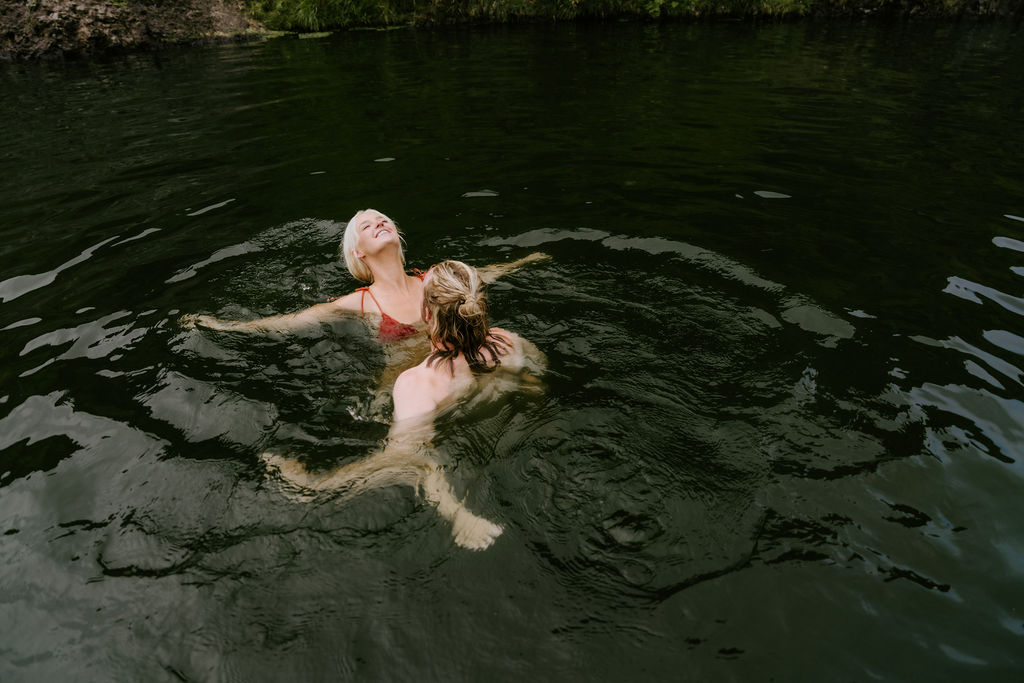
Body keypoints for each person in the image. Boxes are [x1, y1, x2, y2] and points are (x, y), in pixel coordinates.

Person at [262, 260, 545, 550]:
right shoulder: (512, 343)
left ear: (426, 313)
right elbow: (536, 385)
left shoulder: (418, 384)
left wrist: (324, 484)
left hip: (455, 459)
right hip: (518, 446)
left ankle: (316, 489)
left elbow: (409, 461)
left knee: (395, 458)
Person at [180, 208, 548, 342]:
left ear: (397, 236)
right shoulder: (357, 302)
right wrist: (219, 326)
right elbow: (287, 323)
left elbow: (484, 275)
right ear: (358, 253)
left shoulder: (435, 279)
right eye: (366, 225)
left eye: (383, 219)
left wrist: (527, 260)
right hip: (408, 381)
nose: (379, 222)